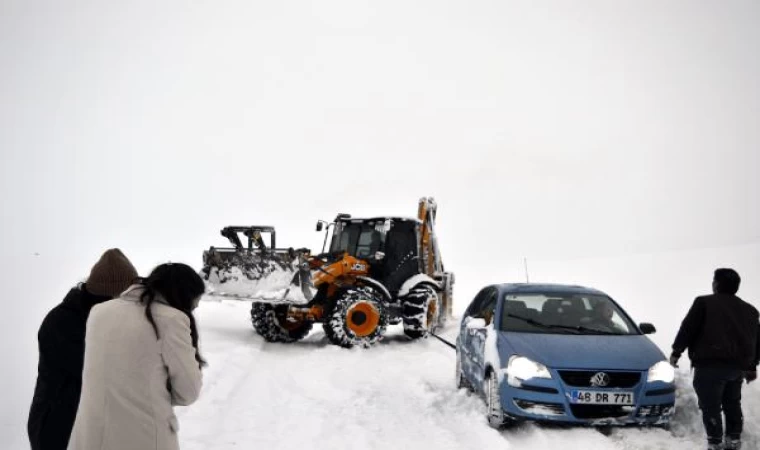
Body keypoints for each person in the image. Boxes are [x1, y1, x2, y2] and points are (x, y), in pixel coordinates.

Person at [68, 262, 206, 450]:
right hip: (143, 436)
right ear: (183, 295)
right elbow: (188, 392)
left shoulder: (99, 311)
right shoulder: (171, 320)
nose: (194, 308)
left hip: (90, 436)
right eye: (194, 303)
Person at [28, 248, 138, 450]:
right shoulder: (63, 323)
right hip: (59, 428)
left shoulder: (102, 317)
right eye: (126, 297)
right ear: (109, 296)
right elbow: (102, 372)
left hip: (88, 426)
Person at [670, 268, 760, 450]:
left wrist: (676, 352)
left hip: (709, 366)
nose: (712, 283)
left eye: (714, 280)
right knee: (732, 403)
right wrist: (751, 366)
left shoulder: (704, 303)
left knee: (711, 406)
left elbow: (688, 329)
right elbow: (756, 341)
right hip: (736, 369)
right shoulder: (751, 311)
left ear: (717, 284)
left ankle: (715, 443)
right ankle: (734, 440)